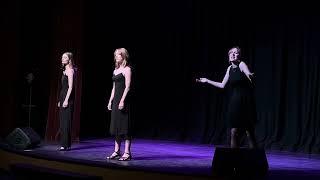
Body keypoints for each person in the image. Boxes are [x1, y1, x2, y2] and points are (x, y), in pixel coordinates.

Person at [197, 46, 258, 148]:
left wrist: (251, 76)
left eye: (235, 53)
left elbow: (249, 75)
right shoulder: (229, 69)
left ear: (239, 56)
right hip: (235, 101)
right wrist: (207, 81)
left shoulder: (241, 64)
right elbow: (222, 85)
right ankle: (233, 159)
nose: (233, 54)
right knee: (233, 131)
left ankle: (255, 159)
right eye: (231, 53)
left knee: (249, 132)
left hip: (245, 101)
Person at [106, 48, 132, 161]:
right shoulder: (115, 70)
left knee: (125, 127)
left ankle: (127, 152)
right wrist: (110, 100)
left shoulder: (127, 69)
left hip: (124, 100)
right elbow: (114, 88)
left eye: (118, 55)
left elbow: (128, 87)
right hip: (116, 100)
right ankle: (116, 151)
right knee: (116, 127)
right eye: (115, 55)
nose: (116, 57)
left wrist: (122, 100)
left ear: (124, 56)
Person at [57, 52, 75, 151]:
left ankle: (65, 144)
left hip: (68, 98)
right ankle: (64, 144)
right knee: (62, 122)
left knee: (66, 122)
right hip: (63, 97)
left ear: (69, 59)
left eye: (65, 57)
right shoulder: (64, 70)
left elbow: (70, 87)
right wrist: (60, 100)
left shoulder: (70, 71)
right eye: (62, 57)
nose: (62, 59)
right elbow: (63, 87)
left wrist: (66, 100)